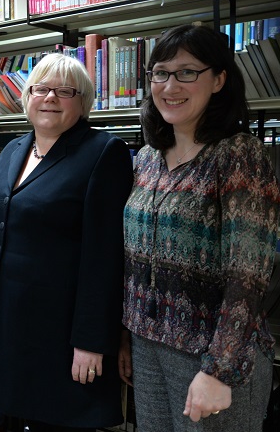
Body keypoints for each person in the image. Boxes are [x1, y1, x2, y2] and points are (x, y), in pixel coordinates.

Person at [119, 24, 280, 432]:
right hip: (147, 346)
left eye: (187, 72)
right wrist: (126, 337)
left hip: (209, 356)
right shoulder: (148, 158)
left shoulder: (240, 155)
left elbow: (249, 275)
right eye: (161, 72)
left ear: (219, 79)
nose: (170, 85)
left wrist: (219, 369)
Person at [0, 53, 134, 432]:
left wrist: (91, 342)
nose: (50, 98)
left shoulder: (102, 153)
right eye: (41, 89)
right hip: (7, 331)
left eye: (65, 91)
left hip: (63, 337)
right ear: (26, 96)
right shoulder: (13, 149)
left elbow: (105, 257)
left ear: (83, 103)